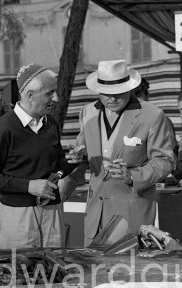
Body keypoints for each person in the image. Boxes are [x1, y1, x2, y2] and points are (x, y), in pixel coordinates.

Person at [65, 60, 175, 246]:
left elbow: (165, 161)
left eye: (118, 93)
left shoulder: (152, 115)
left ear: (130, 88)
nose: (112, 99)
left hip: (131, 217)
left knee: (129, 273)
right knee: (94, 272)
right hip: (94, 217)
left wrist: (132, 176)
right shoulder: (87, 112)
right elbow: (84, 150)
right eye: (106, 93)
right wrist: (78, 158)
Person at [0, 63, 74, 248]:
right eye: (49, 93)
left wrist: (72, 161)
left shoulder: (50, 123)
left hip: (51, 214)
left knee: (53, 274)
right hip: (18, 218)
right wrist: (28, 186)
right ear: (30, 95)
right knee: (20, 274)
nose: (56, 98)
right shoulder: (4, 128)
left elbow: (56, 167)